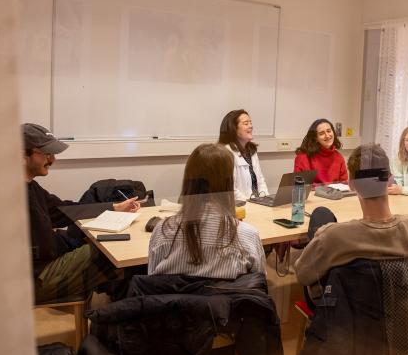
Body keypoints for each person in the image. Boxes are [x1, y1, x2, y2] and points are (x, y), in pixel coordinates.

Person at [294, 143, 408, 291]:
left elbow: (303, 276)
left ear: (351, 185)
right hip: (405, 314)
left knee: (321, 214)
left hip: (348, 315)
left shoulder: (332, 236)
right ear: (390, 179)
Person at [23, 123, 140, 303]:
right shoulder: (9, 198)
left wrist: (115, 207)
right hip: (37, 279)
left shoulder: (30, 186)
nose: (53, 159)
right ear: (23, 154)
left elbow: (64, 210)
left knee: (110, 249)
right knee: (115, 255)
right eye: (46, 154)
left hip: (45, 265)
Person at [148, 143, 265, 278]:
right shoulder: (248, 237)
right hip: (228, 299)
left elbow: (152, 284)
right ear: (228, 183)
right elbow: (259, 286)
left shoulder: (162, 232)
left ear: (188, 182)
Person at [218, 109, 269, 201]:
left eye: (250, 123)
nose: (251, 126)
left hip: (257, 203)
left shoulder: (251, 150)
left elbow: (260, 180)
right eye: (246, 124)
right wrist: (250, 203)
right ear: (233, 128)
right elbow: (230, 189)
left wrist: (265, 197)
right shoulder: (226, 153)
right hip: (239, 206)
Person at [294, 118, 348, 185]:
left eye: (329, 131)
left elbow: (344, 184)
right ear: (316, 138)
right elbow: (300, 186)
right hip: (311, 195)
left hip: (335, 194)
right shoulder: (303, 157)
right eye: (321, 133)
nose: (327, 136)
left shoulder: (339, 157)